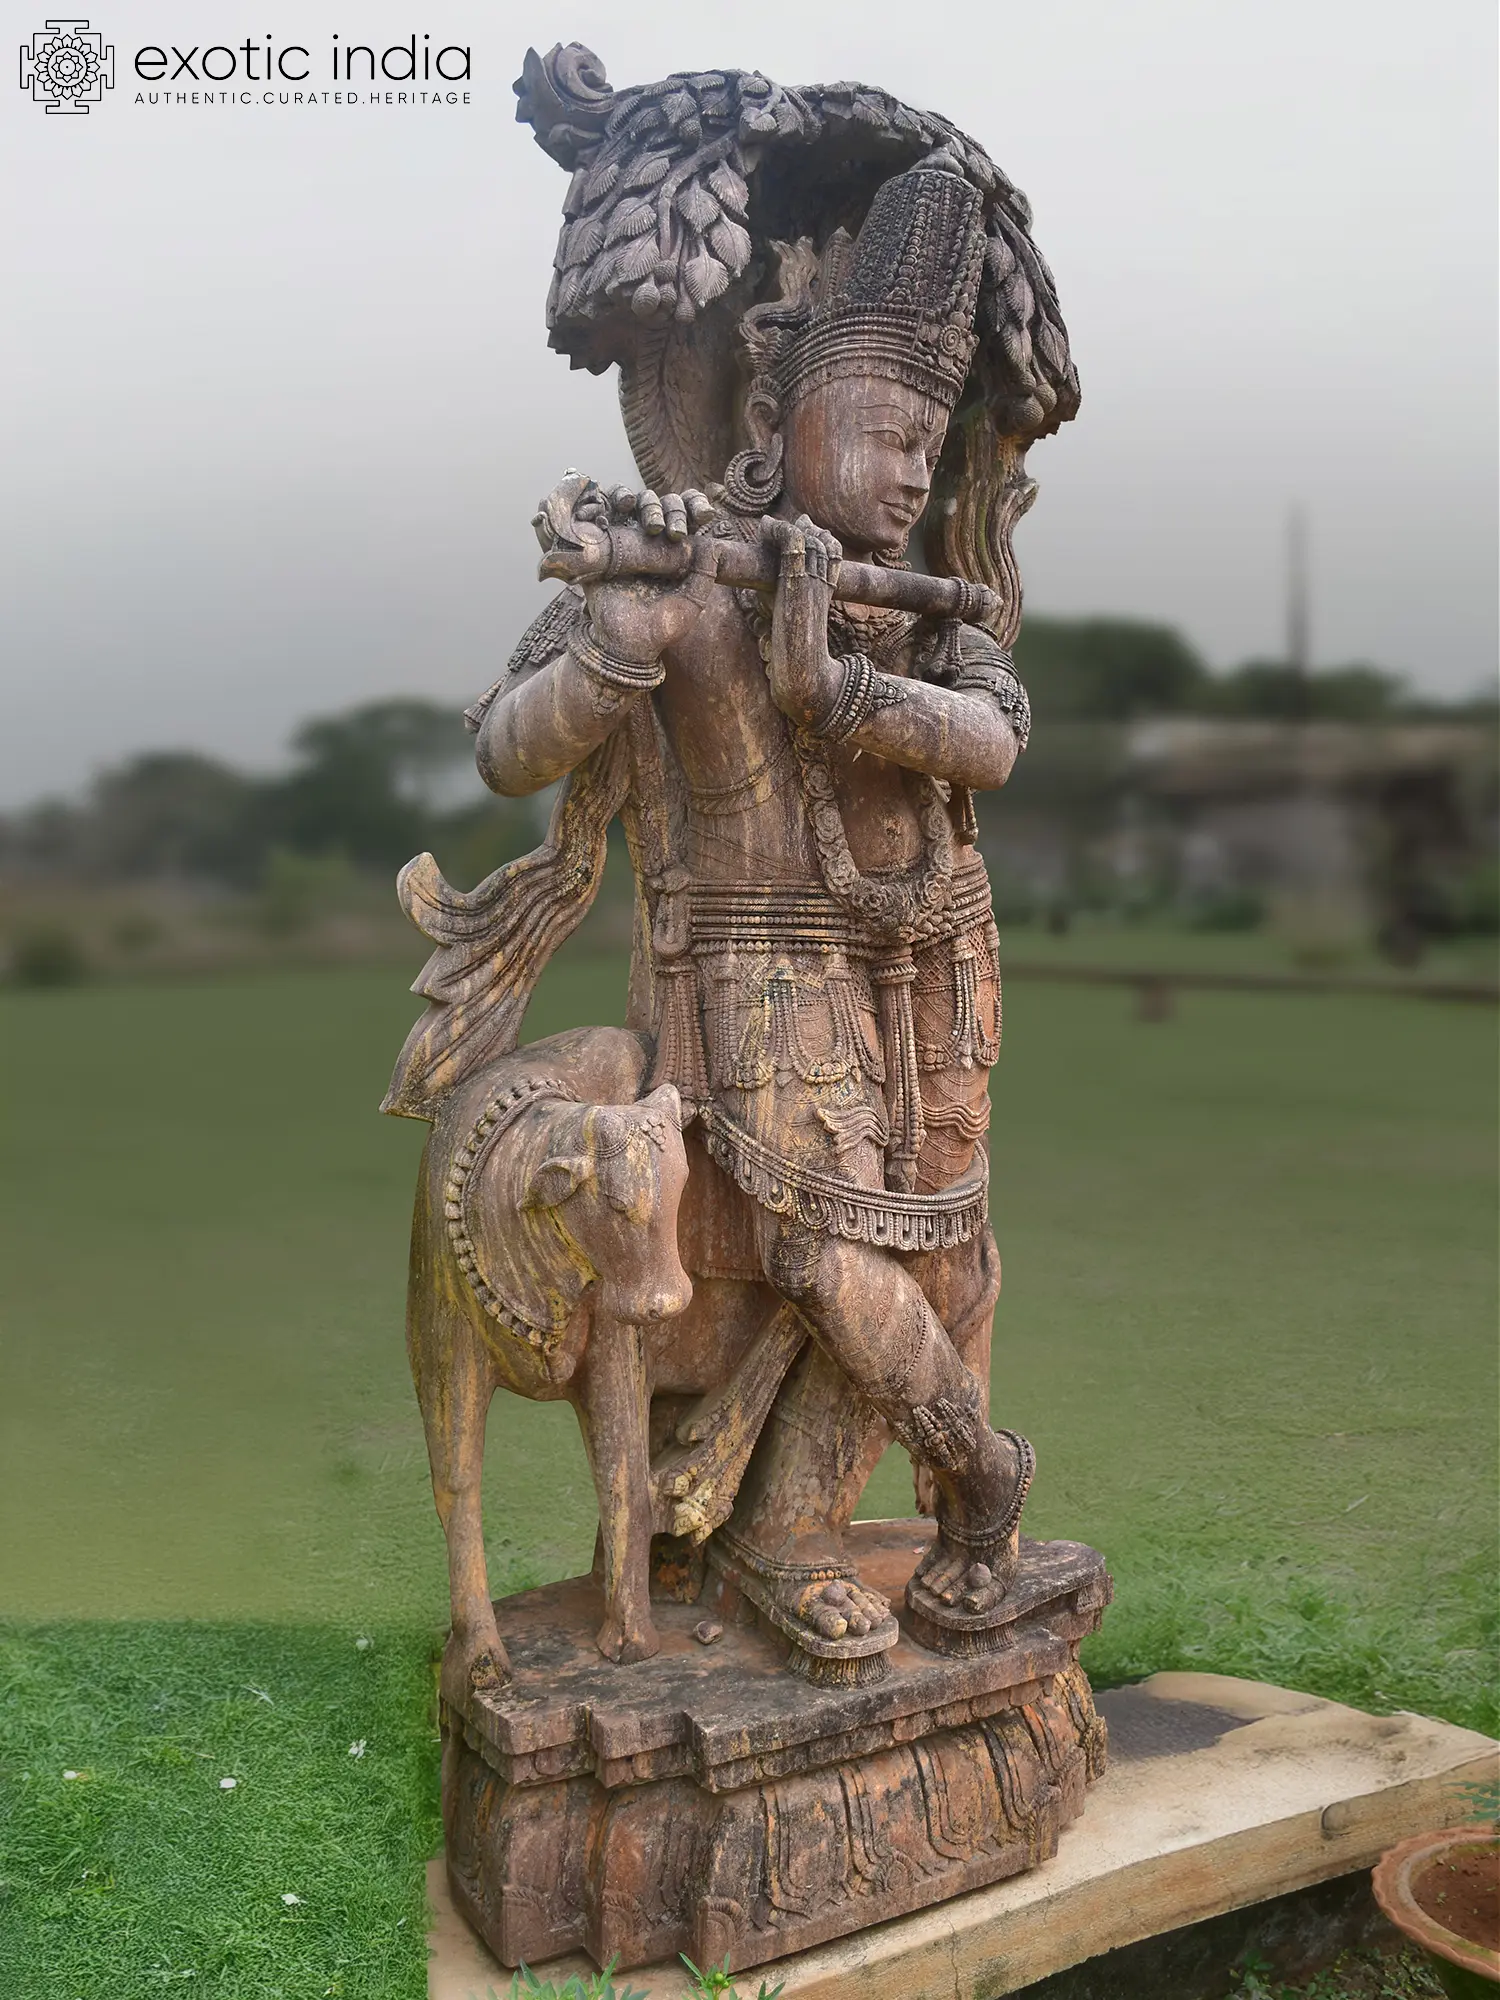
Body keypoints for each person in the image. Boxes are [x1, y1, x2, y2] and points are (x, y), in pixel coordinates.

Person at [470, 162, 1038, 1671]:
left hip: (937, 963)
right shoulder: (685, 559)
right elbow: (507, 747)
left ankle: (798, 1523)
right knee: (827, 1255)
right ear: (776, 417)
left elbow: (993, 741)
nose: (912, 471)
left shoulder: (928, 604)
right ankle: (969, 1480)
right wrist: (619, 642)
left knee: (947, 1258)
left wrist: (836, 686)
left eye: (930, 442)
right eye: (883, 431)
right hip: (762, 978)